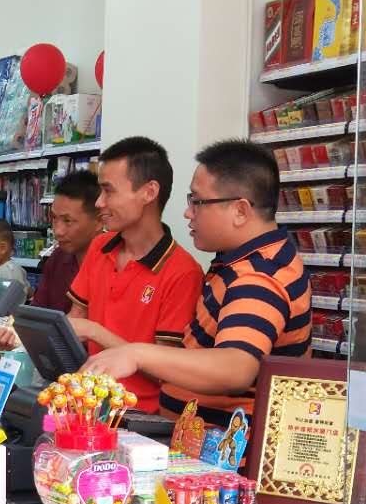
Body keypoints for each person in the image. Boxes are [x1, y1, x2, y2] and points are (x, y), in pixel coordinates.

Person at [83, 139, 312, 430]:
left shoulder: (260, 276)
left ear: (240, 211)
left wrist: (135, 354)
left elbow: (235, 368)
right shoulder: (241, 262)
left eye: (198, 202)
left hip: (228, 451)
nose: (188, 213)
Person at [66, 137, 203, 413]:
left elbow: (168, 373)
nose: (99, 202)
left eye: (108, 191)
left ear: (149, 192)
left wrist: (95, 331)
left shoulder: (183, 273)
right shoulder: (99, 246)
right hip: (85, 405)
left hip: (140, 419)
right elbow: (74, 321)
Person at [32, 170, 102, 312]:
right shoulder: (57, 258)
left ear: (99, 221)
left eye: (68, 221)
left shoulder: (115, 264)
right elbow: (38, 314)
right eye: (54, 218)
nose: (58, 231)